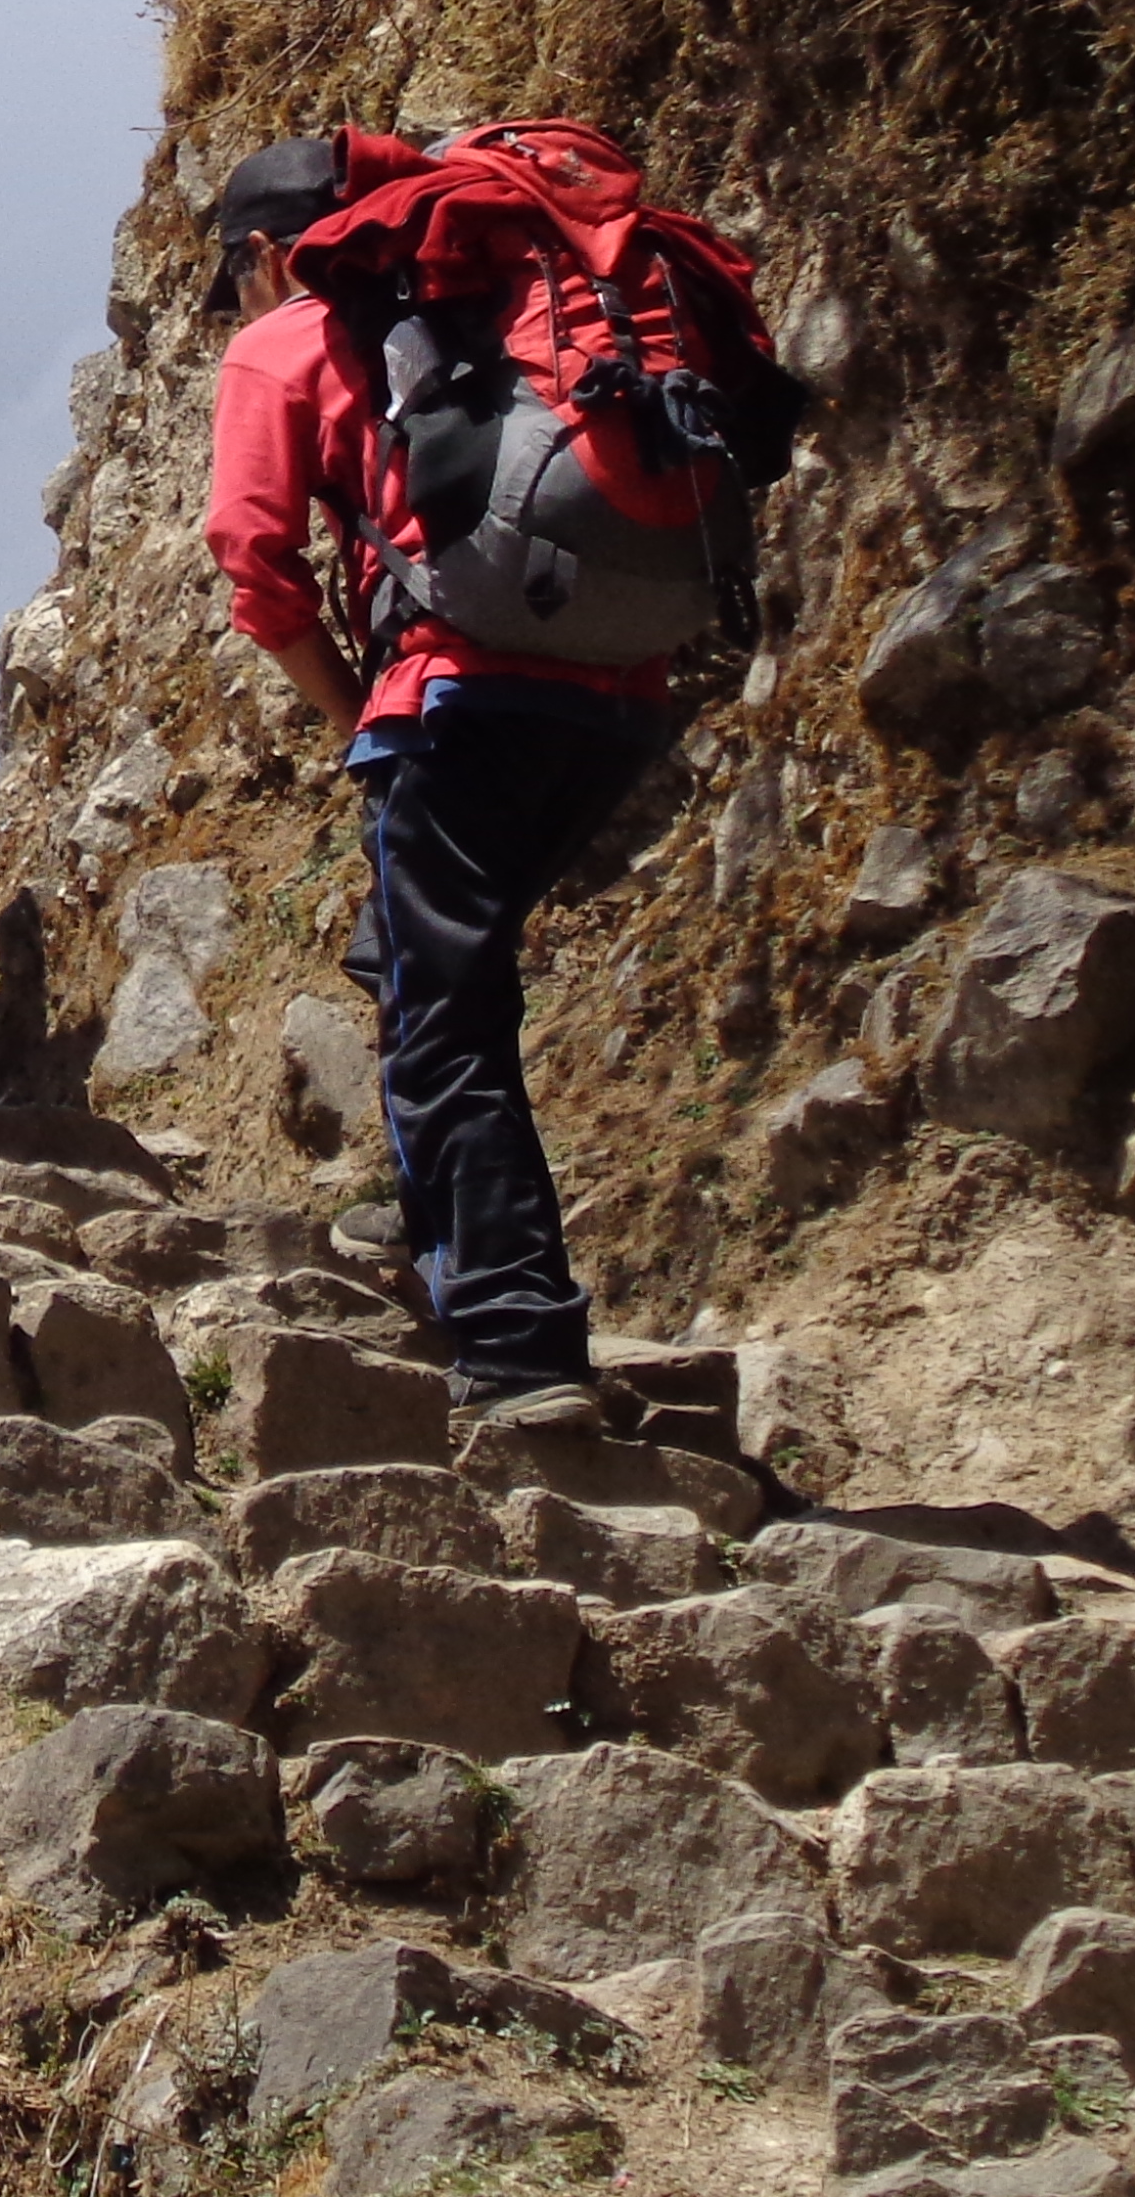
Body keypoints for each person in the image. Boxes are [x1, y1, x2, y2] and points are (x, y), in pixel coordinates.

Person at [200, 130, 661, 1438]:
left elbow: (256, 566)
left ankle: (519, 1352)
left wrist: (359, 720)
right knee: (414, 943)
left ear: (267, 253)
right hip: (624, 694)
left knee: (448, 1012)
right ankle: (422, 1221)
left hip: (457, 691)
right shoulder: (522, 299)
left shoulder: (288, 336)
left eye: (232, 275)